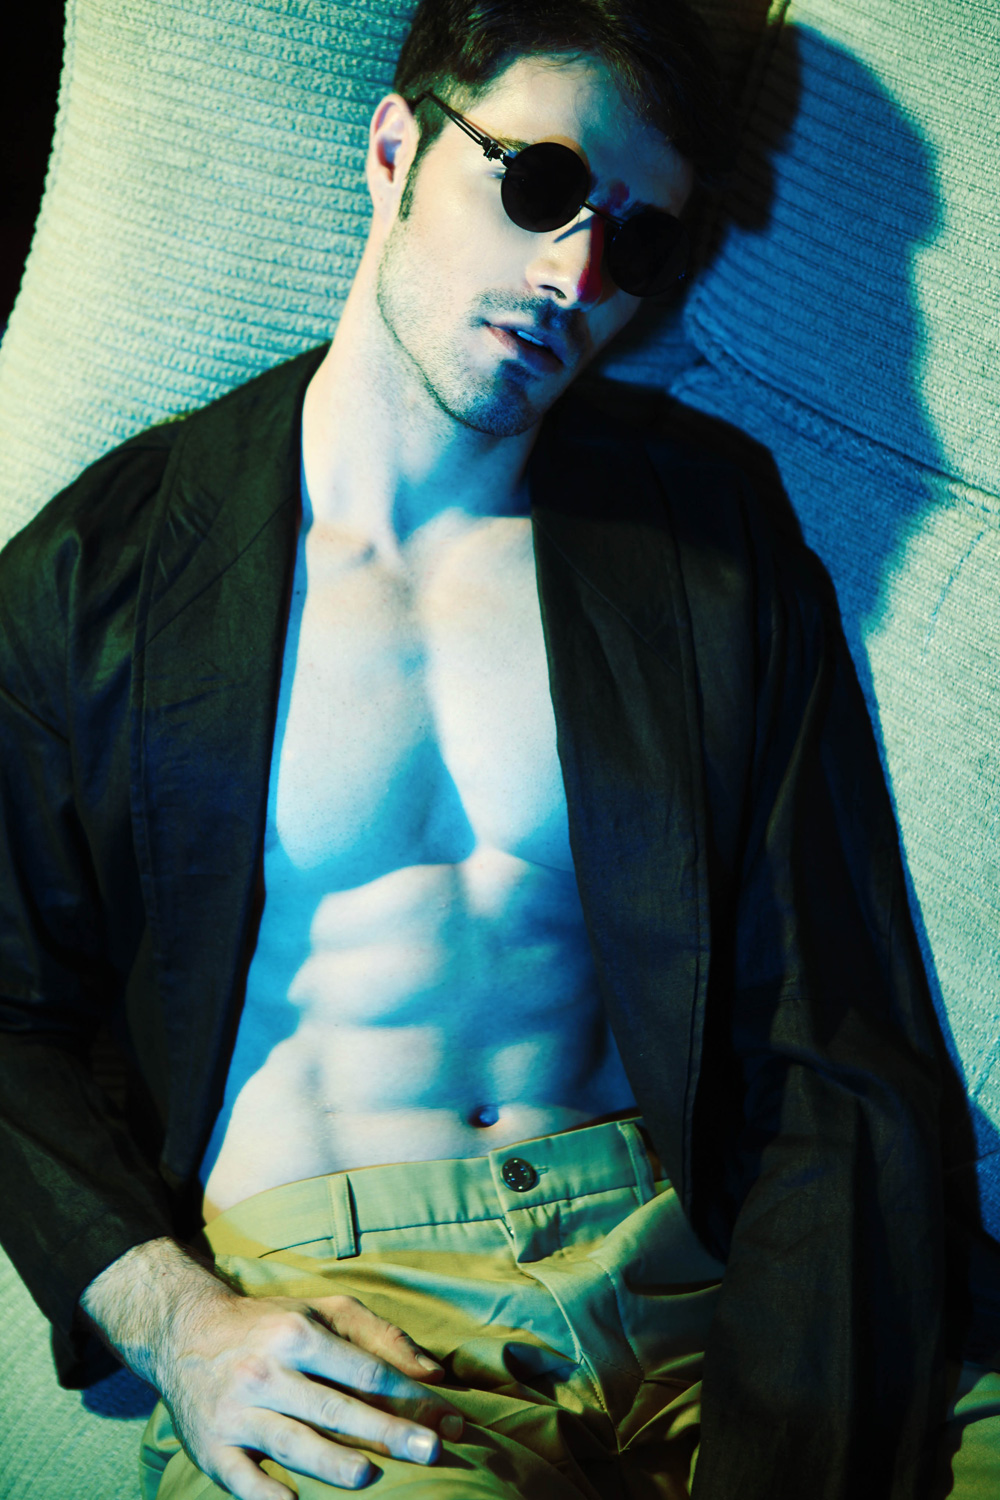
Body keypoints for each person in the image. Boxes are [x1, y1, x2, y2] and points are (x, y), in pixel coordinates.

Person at [0, 0, 954, 1496]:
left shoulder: (709, 540)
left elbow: (832, 1026)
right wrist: (176, 1322)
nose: (577, 274)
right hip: (355, 1322)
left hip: (708, 1265)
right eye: (540, 183)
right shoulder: (96, 578)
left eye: (636, 239)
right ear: (395, 150)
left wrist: (793, 1431)